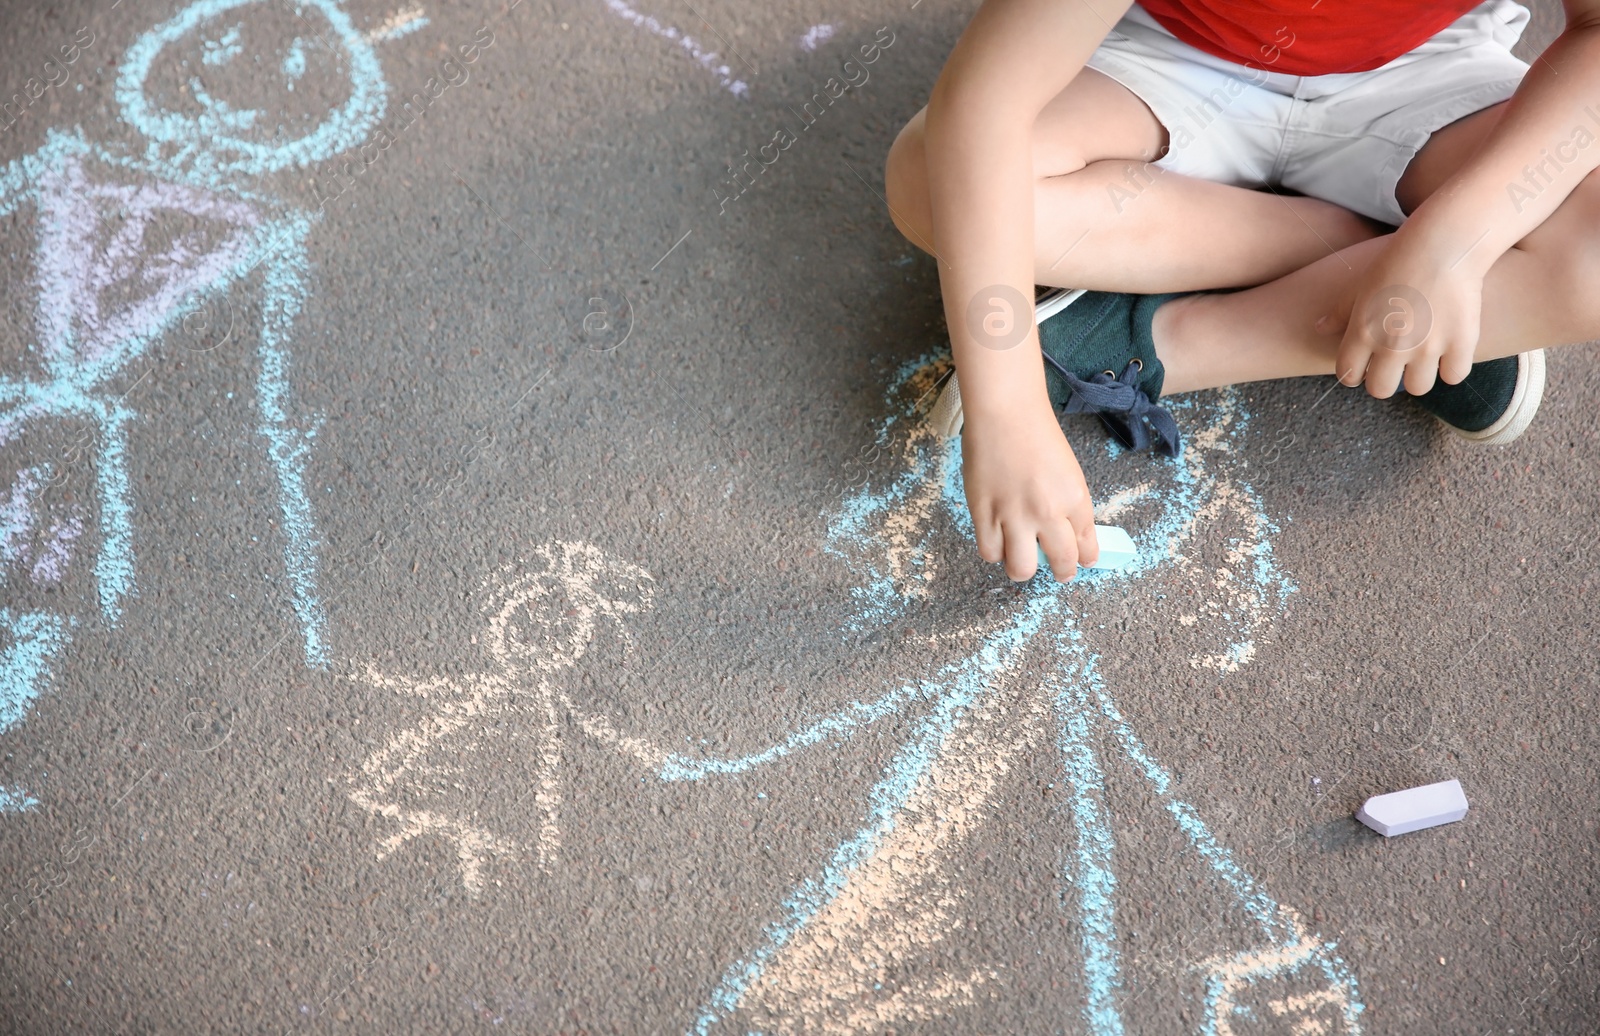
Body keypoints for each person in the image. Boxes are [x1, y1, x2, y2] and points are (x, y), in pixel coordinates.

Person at [883, 0, 1600, 582]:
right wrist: (1006, 408)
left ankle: (1144, 337)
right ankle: (1379, 264)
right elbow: (984, 104)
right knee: (930, 181)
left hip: (1426, 72)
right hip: (1178, 57)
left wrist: (1457, 239)